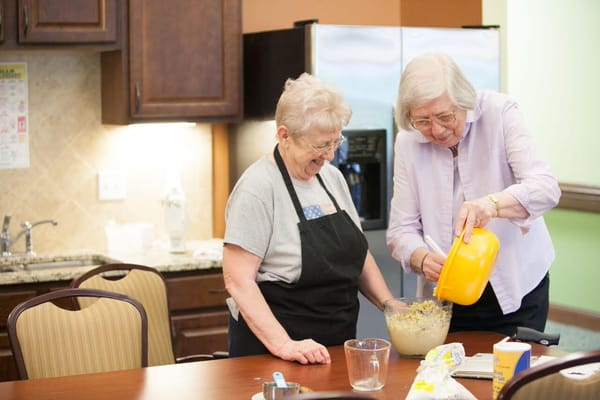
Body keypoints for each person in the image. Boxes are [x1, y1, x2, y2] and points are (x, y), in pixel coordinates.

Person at [223, 73, 394, 364]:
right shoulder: (258, 188)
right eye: (319, 146)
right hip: (276, 353)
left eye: (334, 143)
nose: (329, 155)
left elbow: (357, 252)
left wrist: (389, 305)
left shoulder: (331, 178)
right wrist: (285, 345)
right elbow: (238, 280)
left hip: (335, 346)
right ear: (284, 135)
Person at [386, 52, 561, 336]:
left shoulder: (500, 113)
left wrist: (492, 205)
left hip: (517, 287)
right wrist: (420, 257)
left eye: (445, 116)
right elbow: (400, 229)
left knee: (515, 374)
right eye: (423, 120)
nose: (437, 130)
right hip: (449, 297)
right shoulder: (408, 141)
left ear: (463, 99)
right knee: (449, 376)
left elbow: (545, 187)